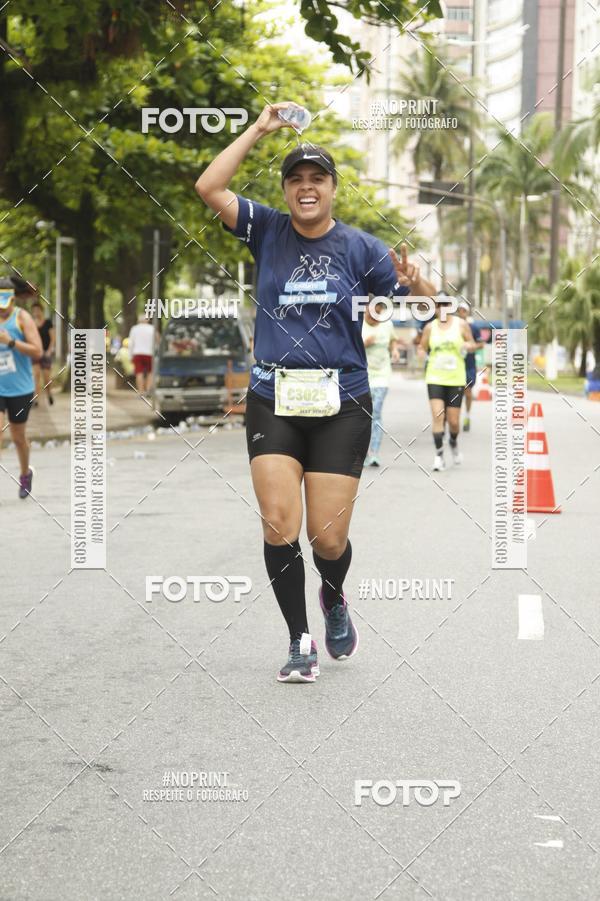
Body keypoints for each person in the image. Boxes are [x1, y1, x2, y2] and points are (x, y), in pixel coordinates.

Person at [195, 102, 436, 683]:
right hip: (273, 398)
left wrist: (417, 281)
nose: (307, 188)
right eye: (296, 180)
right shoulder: (267, 229)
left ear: (332, 189)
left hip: (341, 403)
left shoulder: (363, 248)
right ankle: (298, 639)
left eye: (317, 179)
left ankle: (333, 595)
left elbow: (424, 312)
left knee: (328, 537)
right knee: (279, 524)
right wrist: (259, 127)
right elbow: (208, 185)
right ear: (286, 190)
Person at [419, 294, 477, 472]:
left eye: (445, 304)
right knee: (438, 416)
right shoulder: (430, 327)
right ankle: (439, 456)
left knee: (453, 422)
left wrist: (468, 346)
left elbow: (472, 343)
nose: (442, 308)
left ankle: (453, 440)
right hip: (435, 377)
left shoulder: (461, 325)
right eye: (438, 305)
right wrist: (422, 354)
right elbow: (422, 346)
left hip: (455, 379)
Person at [0, 277, 43, 497]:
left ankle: (25, 473)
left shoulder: (22, 318)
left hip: (20, 388)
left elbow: (38, 351)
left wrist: (10, 342)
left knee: (18, 437)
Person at [362, 299, 405, 467]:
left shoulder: (387, 325)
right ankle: (363, 452)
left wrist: (394, 350)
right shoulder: (357, 324)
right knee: (362, 416)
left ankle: (374, 453)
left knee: (376, 413)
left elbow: (393, 341)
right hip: (362, 376)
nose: (375, 317)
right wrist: (364, 343)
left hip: (381, 376)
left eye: (378, 313)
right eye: (372, 313)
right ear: (366, 309)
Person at [457, 300, 484, 431]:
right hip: (455, 366)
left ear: (467, 312)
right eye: (459, 310)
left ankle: (467, 416)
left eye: (464, 310)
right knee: (455, 394)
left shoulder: (473, 328)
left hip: (469, 365)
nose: (461, 313)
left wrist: (471, 346)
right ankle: (453, 417)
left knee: (467, 392)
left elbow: (481, 344)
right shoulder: (453, 327)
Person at [30, 301, 55, 406]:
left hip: (46, 353)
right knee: (36, 375)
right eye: (34, 311)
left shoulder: (48, 322)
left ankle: (49, 393)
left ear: (41, 311)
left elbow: (53, 338)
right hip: (36, 352)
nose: (36, 312)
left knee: (46, 378)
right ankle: (36, 399)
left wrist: (49, 351)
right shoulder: (31, 323)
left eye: (37, 310)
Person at [128, 314, 155, 395]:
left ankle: (141, 392)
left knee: (139, 373)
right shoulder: (152, 328)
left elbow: (131, 343)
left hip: (137, 353)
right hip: (149, 353)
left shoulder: (134, 329)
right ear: (148, 320)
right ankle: (148, 389)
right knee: (150, 372)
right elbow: (156, 341)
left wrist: (130, 355)